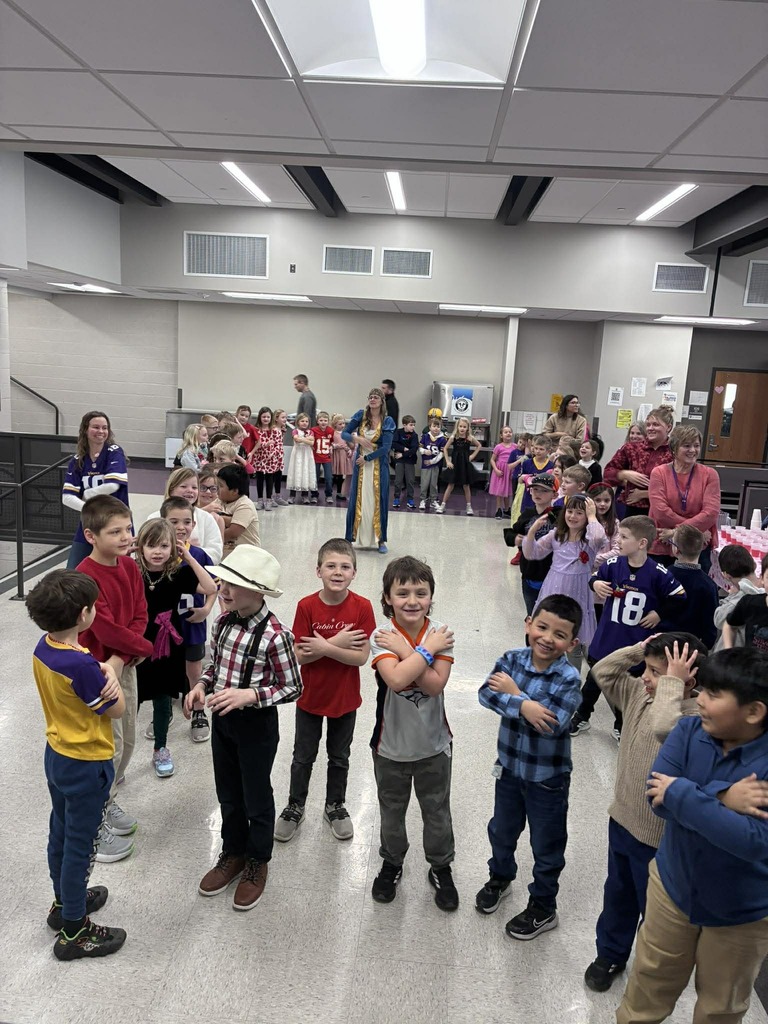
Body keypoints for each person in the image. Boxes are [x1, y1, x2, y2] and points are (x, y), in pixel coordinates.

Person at [616, 648, 768, 1024]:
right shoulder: (687, 730)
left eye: (714, 694)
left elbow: (752, 840)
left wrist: (682, 792)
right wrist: (722, 796)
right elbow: (656, 796)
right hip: (672, 887)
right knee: (648, 986)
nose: (698, 698)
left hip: (741, 913)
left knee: (722, 1005)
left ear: (753, 711)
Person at [584, 634, 706, 992]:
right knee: (617, 894)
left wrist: (671, 685)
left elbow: (665, 728)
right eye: (647, 670)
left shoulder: (697, 720)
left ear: (687, 682)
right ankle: (610, 953)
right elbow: (602, 671)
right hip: (622, 819)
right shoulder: (640, 693)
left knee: (654, 913)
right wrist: (641, 649)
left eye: (655, 673)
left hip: (659, 840)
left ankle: (652, 972)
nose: (645, 677)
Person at [187, 546, 302, 911]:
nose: (224, 588)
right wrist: (202, 686)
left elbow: (292, 686)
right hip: (223, 724)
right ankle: (232, 851)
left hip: (257, 726)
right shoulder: (222, 623)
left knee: (256, 795)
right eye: (224, 580)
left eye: (234, 583)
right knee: (228, 793)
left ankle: (257, 860)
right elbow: (214, 666)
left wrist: (250, 695)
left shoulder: (276, 636)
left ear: (259, 591)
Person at [27, 569, 127, 961]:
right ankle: (74, 931)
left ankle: (62, 901)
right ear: (84, 615)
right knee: (80, 847)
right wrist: (112, 679)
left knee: (61, 831)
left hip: (58, 755)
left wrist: (96, 668)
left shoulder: (44, 646)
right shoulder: (81, 667)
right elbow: (114, 709)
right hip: (87, 762)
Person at [475, 595, 582, 938]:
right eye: (542, 627)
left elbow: (551, 722)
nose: (548, 638)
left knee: (547, 844)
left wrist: (515, 695)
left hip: (547, 780)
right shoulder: (511, 659)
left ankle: (543, 906)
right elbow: (486, 694)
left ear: (572, 643)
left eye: (560, 634)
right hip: (508, 769)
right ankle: (501, 877)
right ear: (528, 624)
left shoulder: (568, 677)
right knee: (501, 831)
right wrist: (526, 706)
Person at [368, 556, 457, 909]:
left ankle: (441, 866)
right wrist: (422, 651)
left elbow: (434, 686)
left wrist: (408, 651)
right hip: (390, 747)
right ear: (387, 597)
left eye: (421, 592)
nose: (412, 600)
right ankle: (392, 862)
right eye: (402, 592)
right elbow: (396, 679)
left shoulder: (441, 633)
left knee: (437, 811)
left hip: (434, 745)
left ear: (432, 596)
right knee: (391, 811)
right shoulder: (382, 635)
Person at [274, 539, 376, 843]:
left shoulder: (362, 607)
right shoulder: (306, 606)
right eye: (330, 565)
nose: (338, 572)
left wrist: (324, 646)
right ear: (318, 570)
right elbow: (300, 655)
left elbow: (360, 657)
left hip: (345, 698)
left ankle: (335, 805)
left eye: (345, 567)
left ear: (354, 573)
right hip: (310, 696)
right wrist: (337, 644)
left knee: (339, 756)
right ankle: (295, 804)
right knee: (302, 755)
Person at [76, 496, 153, 862]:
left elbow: (140, 612)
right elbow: (104, 627)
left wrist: (126, 656)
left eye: (128, 529)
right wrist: (143, 648)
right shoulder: (85, 577)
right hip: (100, 671)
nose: (126, 537)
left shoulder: (129, 566)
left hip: (122, 665)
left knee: (130, 741)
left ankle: (108, 802)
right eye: (116, 531)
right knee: (111, 745)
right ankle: (93, 823)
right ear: (91, 535)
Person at [571, 515, 686, 738]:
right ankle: (582, 716)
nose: (618, 541)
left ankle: (622, 723)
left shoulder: (657, 572)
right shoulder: (613, 565)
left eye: (624, 537)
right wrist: (596, 584)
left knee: (628, 688)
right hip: (608, 637)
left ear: (642, 543)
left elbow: (679, 596)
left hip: (635, 640)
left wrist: (659, 614)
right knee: (593, 682)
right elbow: (594, 577)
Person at [134, 518, 217, 778]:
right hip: (135, 644)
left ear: (174, 549)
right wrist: (128, 553)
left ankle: (160, 748)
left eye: (164, 546)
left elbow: (211, 587)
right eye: (150, 545)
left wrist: (189, 557)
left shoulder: (178, 573)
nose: (157, 552)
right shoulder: (132, 571)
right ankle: (118, 755)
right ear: (140, 547)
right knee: (129, 701)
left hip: (167, 646)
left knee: (162, 699)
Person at [157, 497, 218, 742]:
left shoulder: (200, 555)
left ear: (194, 523)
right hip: (164, 625)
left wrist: (205, 610)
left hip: (192, 621)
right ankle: (162, 712)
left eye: (186, 522)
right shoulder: (157, 555)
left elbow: (215, 588)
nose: (181, 527)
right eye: (173, 522)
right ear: (163, 523)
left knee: (194, 668)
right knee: (164, 666)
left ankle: (198, 710)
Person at [522, 495, 606, 661]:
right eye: (570, 511)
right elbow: (532, 553)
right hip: (554, 587)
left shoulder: (590, 539)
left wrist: (592, 515)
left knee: (574, 637)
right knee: (550, 630)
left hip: (578, 592)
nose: (573, 516)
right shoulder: (556, 535)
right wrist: (532, 531)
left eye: (579, 513)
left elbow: (598, 537)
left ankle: (571, 677)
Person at [648, 424, 721, 573]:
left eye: (696, 446)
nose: (693, 450)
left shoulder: (710, 474)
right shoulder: (659, 473)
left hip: (697, 545)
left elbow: (711, 513)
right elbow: (661, 512)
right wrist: (695, 531)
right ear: (674, 448)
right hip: (664, 543)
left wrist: (675, 532)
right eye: (687, 446)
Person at [62, 411, 129, 569]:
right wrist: (89, 510)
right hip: (90, 523)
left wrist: (88, 494)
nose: (101, 431)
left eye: (104, 428)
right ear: (85, 429)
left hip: (115, 521)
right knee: (72, 571)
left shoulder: (114, 452)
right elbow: (67, 497)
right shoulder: (78, 460)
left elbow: (113, 485)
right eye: (96, 427)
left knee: (115, 569)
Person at [342, 387, 395, 554]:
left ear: (381, 401)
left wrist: (367, 458)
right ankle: (349, 538)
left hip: (377, 465)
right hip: (361, 466)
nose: (373, 400)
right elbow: (344, 434)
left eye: (376, 397)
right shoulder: (361, 415)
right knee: (356, 501)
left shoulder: (387, 420)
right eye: (371, 397)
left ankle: (381, 540)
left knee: (380, 501)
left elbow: (386, 448)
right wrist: (356, 438)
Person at [604, 406, 675, 518]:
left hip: (664, 510)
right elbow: (607, 473)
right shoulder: (631, 448)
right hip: (633, 510)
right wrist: (624, 474)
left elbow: (679, 487)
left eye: (656, 425)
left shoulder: (674, 452)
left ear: (668, 427)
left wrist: (645, 494)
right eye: (648, 425)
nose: (651, 428)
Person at [659, 524, 719, 647]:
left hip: (661, 640)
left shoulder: (662, 575)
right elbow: (710, 622)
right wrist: (706, 645)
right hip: (691, 645)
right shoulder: (709, 584)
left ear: (676, 550)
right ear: (702, 547)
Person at [506, 474, 558, 615]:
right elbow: (510, 533)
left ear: (554, 494)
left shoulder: (558, 515)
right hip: (529, 571)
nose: (538, 494)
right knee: (532, 613)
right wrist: (516, 538)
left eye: (544, 490)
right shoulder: (527, 514)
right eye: (535, 489)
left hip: (552, 572)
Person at [147, 468, 223, 563]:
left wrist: (192, 550)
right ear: (171, 489)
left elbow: (216, 553)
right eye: (183, 486)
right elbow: (147, 549)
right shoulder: (154, 518)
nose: (190, 490)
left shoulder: (206, 518)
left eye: (194, 488)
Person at [713, 544, 764, 652]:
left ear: (726, 575)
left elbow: (718, 619)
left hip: (737, 657)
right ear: (754, 565)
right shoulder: (763, 589)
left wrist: (732, 596)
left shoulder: (741, 600)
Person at [722, 552, 768, 653]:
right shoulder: (749, 603)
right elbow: (729, 625)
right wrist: (729, 651)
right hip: (750, 667)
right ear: (762, 579)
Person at [437, 417, 481, 516]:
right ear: (457, 427)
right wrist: (447, 461)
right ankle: (443, 505)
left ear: (467, 428)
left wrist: (473, 456)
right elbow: (445, 449)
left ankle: (469, 506)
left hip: (465, 464)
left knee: (466, 485)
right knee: (450, 484)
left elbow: (479, 445)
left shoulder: (469, 438)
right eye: (460, 426)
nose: (462, 428)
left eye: (464, 427)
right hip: (455, 464)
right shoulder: (453, 437)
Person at [216, 464, 260, 553]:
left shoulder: (245, 505)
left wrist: (210, 539)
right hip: (226, 556)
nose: (216, 488)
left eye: (220, 486)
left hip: (246, 556)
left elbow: (233, 533)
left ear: (235, 491)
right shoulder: (219, 501)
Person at [511, 435, 555, 516]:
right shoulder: (526, 463)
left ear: (548, 451)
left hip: (544, 500)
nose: (538, 451)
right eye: (536, 448)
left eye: (541, 449)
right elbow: (519, 480)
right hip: (528, 498)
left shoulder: (551, 465)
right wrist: (524, 478)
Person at [251, 406, 283, 511]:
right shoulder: (256, 430)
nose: (265, 419)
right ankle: (260, 500)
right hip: (260, 457)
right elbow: (255, 444)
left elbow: (279, 444)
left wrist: (273, 453)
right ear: (260, 417)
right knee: (259, 478)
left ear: (271, 418)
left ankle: (269, 500)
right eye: (263, 417)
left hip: (271, 459)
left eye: (268, 417)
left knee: (270, 479)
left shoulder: (275, 431)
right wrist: (265, 444)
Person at [417, 416, 447, 513]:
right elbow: (420, 448)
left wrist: (432, 461)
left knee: (434, 483)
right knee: (424, 483)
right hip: (425, 465)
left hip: (435, 464)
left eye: (438, 427)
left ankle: (434, 500)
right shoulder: (425, 437)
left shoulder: (442, 439)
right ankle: (423, 499)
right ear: (430, 427)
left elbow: (442, 453)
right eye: (434, 426)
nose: (436, 428)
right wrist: (425, 451)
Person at [286, 411, 316, 504]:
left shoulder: (310, 431)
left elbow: (312, 443)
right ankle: (292, 495)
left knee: (306, 472)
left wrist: (302, 439)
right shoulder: (295, 431)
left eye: (306, 421)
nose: (304, 423)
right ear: (298, 422)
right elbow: (296, 439)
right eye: (302, 421)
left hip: (307, 455)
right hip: (297, 454)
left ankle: (305, 495)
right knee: (296, 472)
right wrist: (306, 439)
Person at [489, 425, 519, 519]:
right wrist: (496, 470)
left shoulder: (515, 446)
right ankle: (498, 509)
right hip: (500, 471)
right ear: (501, 435)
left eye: (510, 432)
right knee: (500, 491)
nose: (508, 433)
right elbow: (492, 460)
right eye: (505, 432)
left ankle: (507, 509)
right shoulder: (498, 447)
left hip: (510, 470)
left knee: (508, 490)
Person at [391, 414, 419, 510]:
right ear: (404, 425)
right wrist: (404, 448)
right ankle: (396, 498)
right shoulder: (398, 432)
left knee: (410, 480)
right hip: (399, 460)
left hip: (409, 460)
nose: (413, 427)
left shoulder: (414, 436)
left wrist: (403, 454)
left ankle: (410, 499)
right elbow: (394, 443)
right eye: (411, 425)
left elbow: (414, 449)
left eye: (414, 425)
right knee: (398, 480)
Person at [311, 410, 335, 504]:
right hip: (315, 457)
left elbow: (332, 441)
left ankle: (328, 495)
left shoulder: (330, 430)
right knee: (315, 477)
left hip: (326, 458)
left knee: (329, 477)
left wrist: (332, 446)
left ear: (328, 421)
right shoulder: (313, 430)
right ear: (317, 421)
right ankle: (314, 495)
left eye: (325, 420)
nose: (323, 422)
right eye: (321, 420)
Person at [330, 413, 353, 503]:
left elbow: (350, 444)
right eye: (340, 424)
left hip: (343, 455)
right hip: (336, 454)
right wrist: (335, 446)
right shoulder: (332, 433)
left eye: (343, 423)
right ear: (335, 424)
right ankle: (329, 492)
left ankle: (339, 492)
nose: (342, 425)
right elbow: (330, 442)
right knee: (333, 475)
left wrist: (349, 449)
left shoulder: (345, 434)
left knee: (341, 475)